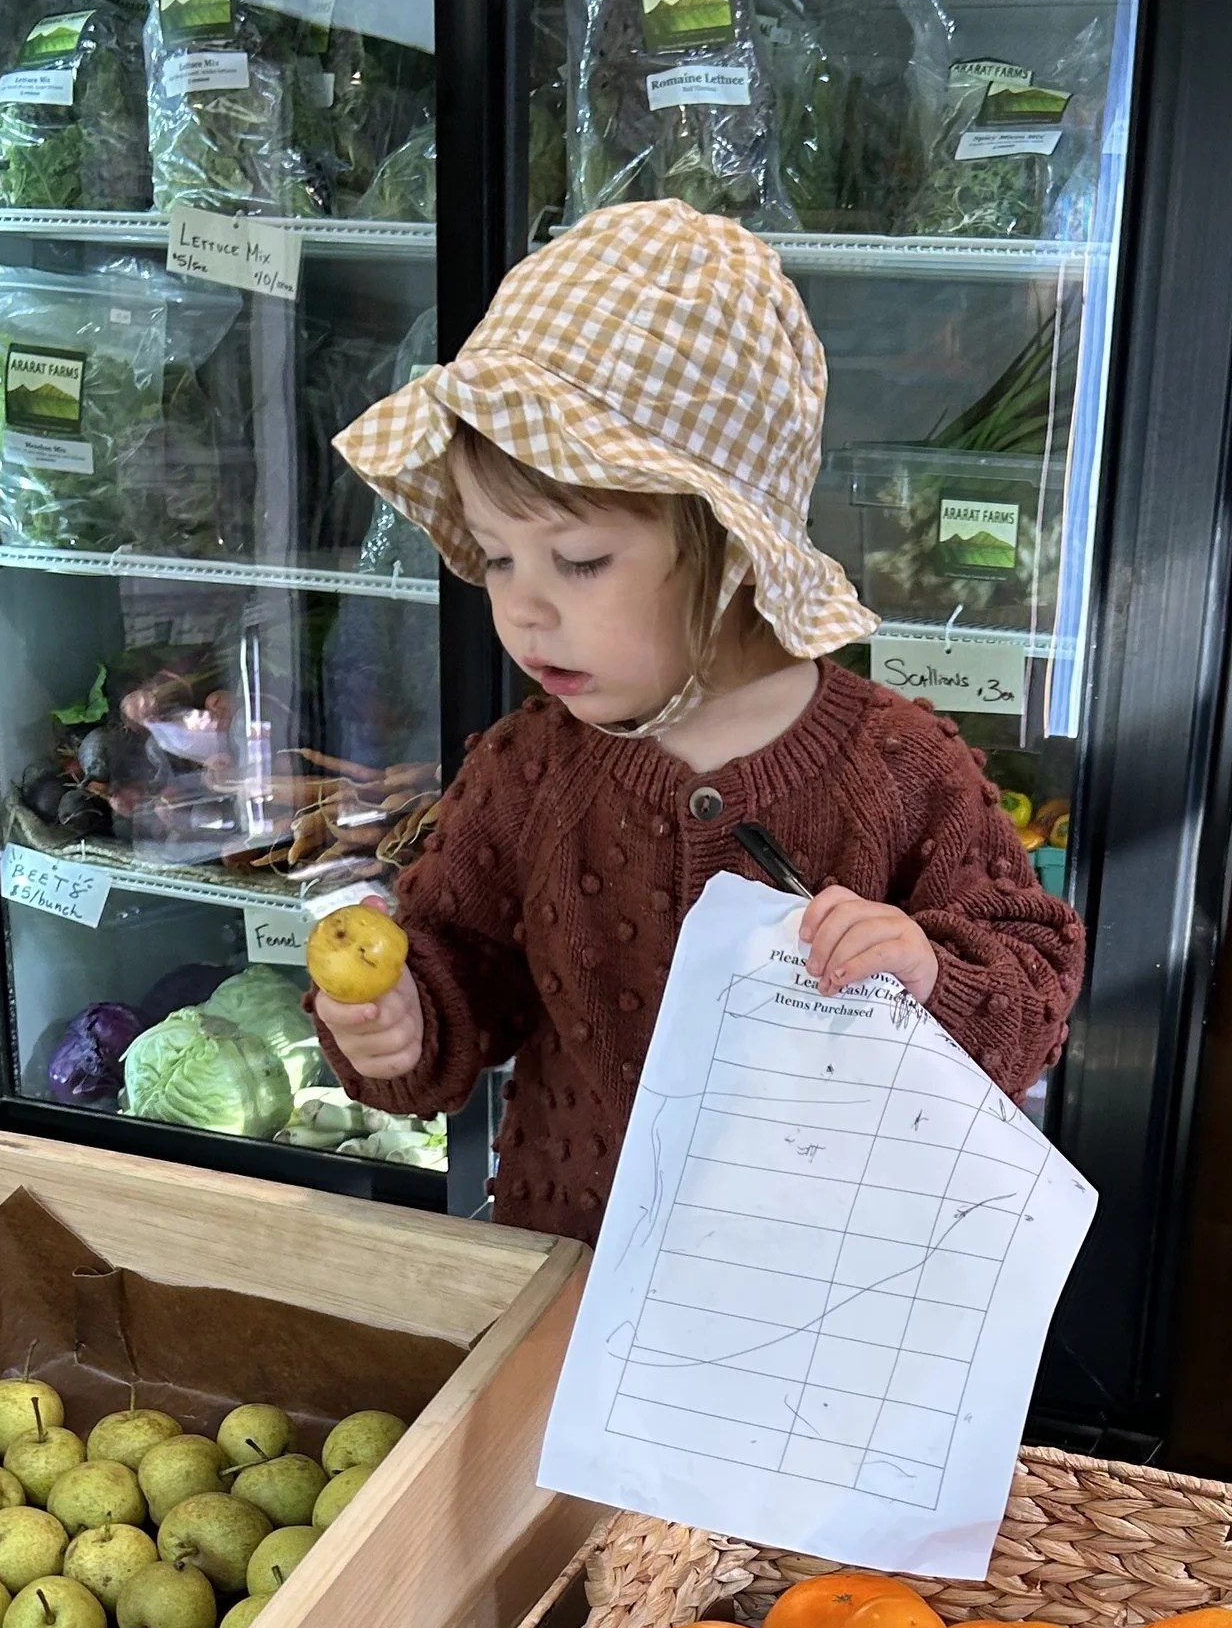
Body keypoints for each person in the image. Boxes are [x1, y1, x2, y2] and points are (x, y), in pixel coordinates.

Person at [315, 201, 1086, 1239]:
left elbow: (1029, 990)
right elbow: (463, 968)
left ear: (732, 546)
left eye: (579, 560)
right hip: (577, 1266)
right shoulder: (527, 769)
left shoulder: (901, 767)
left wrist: (927, 971)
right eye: (495, 557)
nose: (522, 607)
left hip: (827, 1284)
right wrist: (403, 1021)